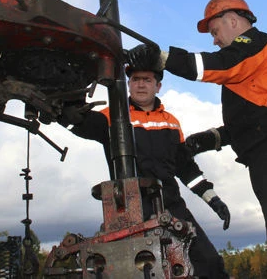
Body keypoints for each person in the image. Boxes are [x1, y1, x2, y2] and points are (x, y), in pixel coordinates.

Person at [126, 0, 267, 278]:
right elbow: (248, 122)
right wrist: (205, 140)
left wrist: (160, 57)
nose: (214, 39)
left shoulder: (259, 45)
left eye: (215, 31)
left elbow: (220, 64)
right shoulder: (246, 72)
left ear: (233, 20)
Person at [61, 66, 230, 279]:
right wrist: (64, 109)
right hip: (129, 207)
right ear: (128, 84)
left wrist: (213, 200)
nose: (141, 84)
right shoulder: (112, 116)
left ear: (158, 86)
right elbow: (80, 123)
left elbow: (186, 168)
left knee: (209, 263)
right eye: (136, 79)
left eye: (147, 80)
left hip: (171, 204)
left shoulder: (171, 121)